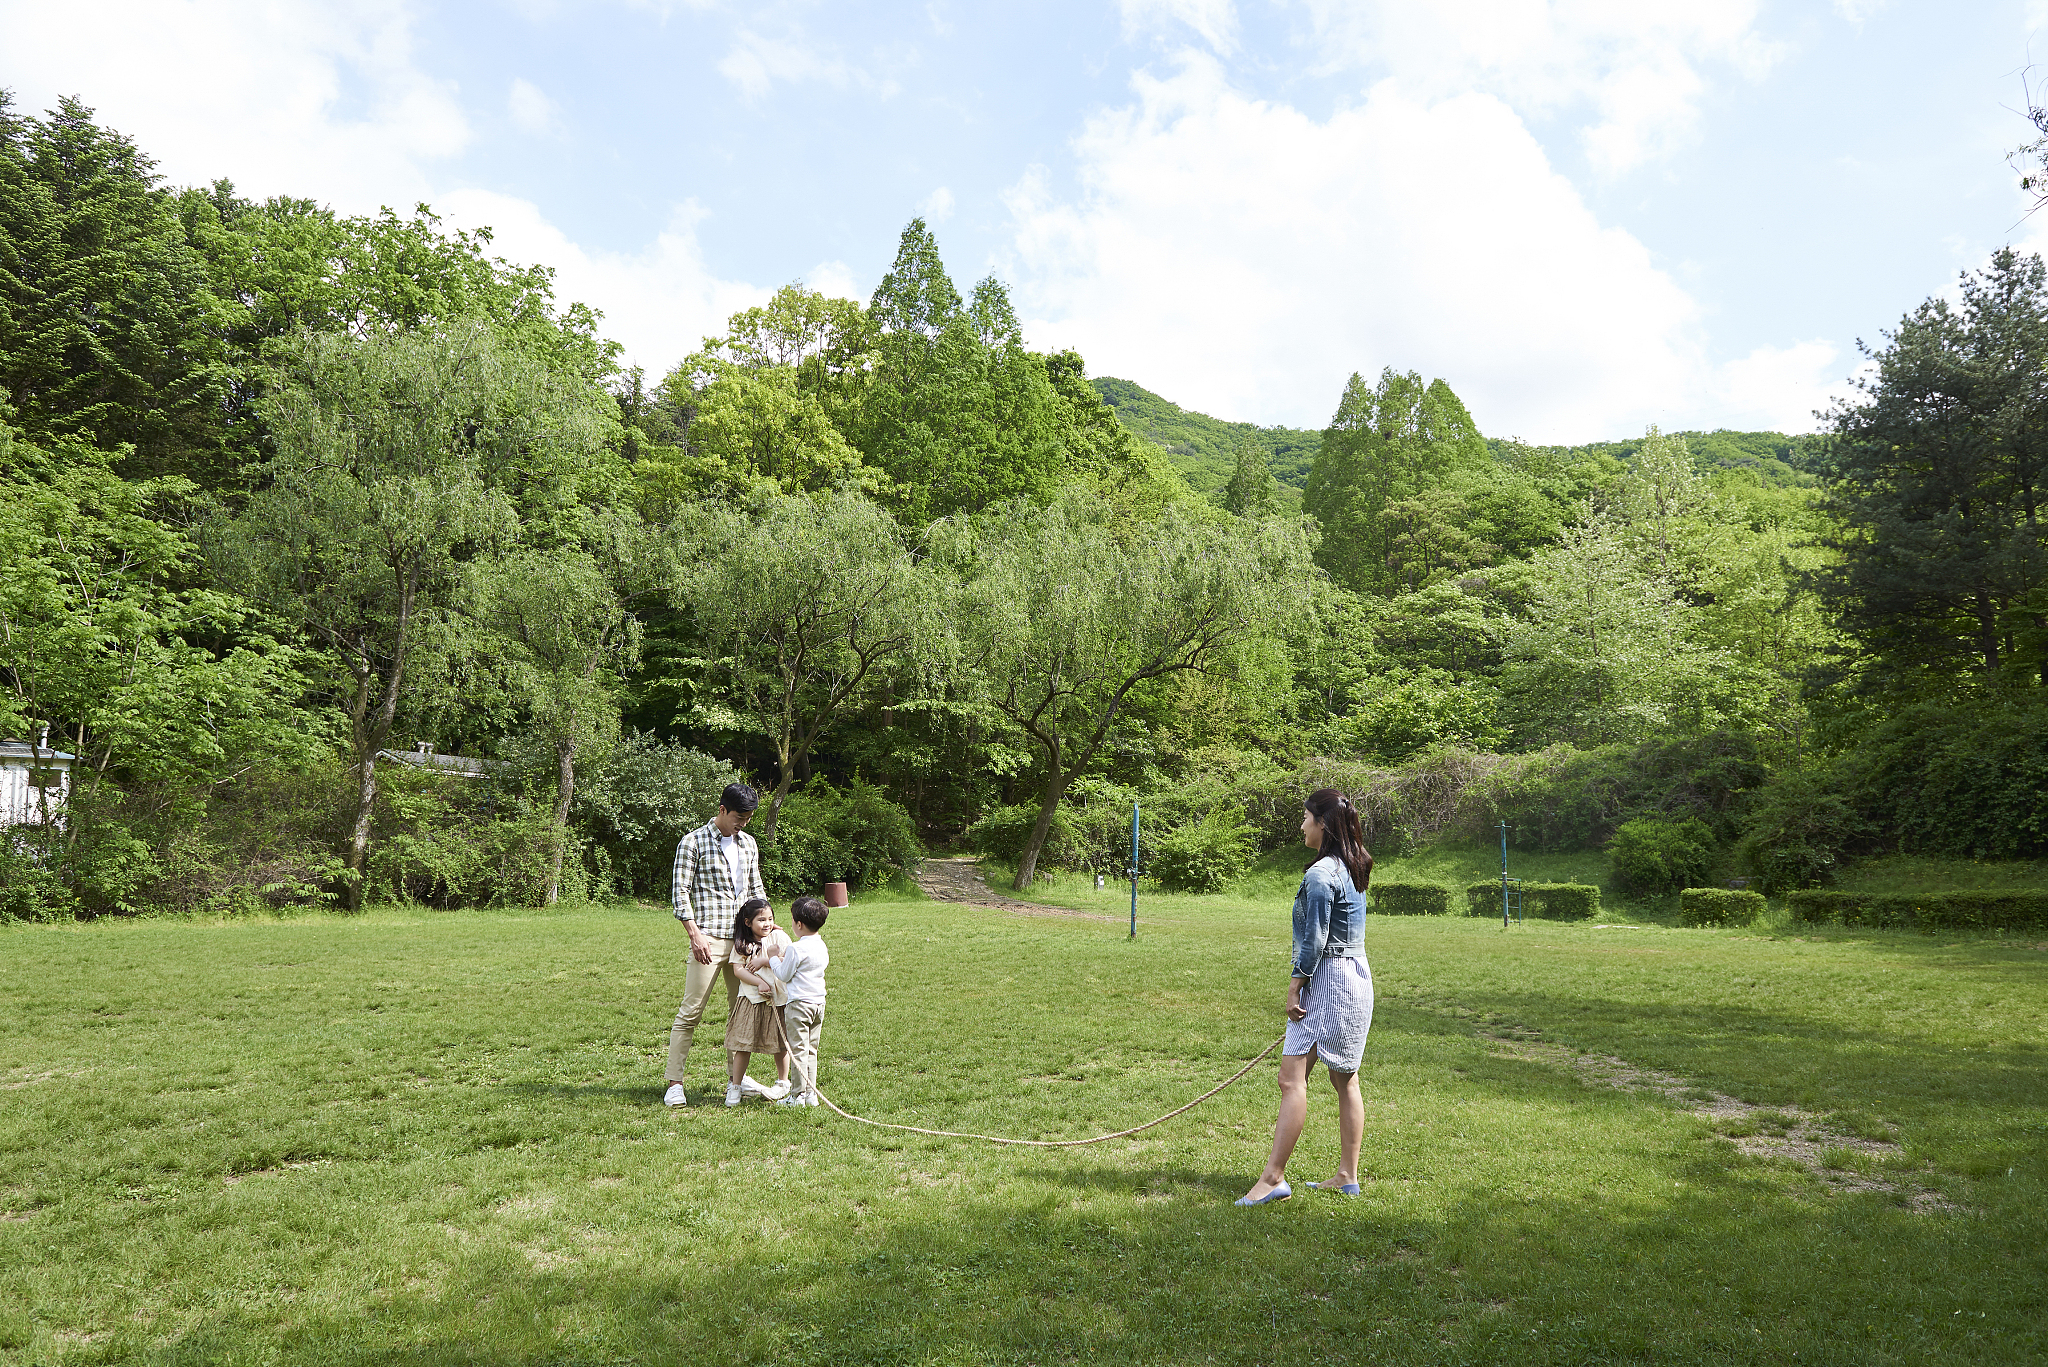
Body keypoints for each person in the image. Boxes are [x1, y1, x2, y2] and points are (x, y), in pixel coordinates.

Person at [1237, 787, 1373, 1206]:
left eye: (1305, 818)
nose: (1301, 825)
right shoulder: (1353, 867)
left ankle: (1273, 1178)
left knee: (1291, 1079)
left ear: (1323, 824)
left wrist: (1296, 982)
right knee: (1344, 1078)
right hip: (1357, 977)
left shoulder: (1320, 874)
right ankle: (1347, 1176)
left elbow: (1314, 940)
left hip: (1328, 979)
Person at [664, 783, 767, 1107]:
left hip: (743, 942)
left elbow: (755, 888)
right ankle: (675, 1084)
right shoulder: (692, 842)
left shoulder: (749, 844)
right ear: (722, 810)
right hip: (707, 939)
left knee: (740, 1014)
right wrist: (694, 935)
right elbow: (680, 892)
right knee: (691, 1012)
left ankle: (735, 1082)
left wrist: (765, 925)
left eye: (748, 818)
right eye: (739, 817)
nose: (743, 824)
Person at [723, 897, 793, 1106]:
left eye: (770, 918)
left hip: (777, 999)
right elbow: (738, 970)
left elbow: (789, 962)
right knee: (743, 1043)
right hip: (750, 999)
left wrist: (765, 960)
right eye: (761, 920)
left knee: (780, 1043)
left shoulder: (778, 937)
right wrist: (759, 983)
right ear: (748, 923)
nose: (767, 924)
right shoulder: (742, 943)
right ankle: (735, 1086)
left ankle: (783, 1083)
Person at [767, 894, 830, 1109]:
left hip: (798, 1006)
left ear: (799, 924)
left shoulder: (795, 948)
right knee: (811, 1050)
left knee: (797, 1051)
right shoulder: (820, 945)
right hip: (818, 1004)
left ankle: (796, 1096)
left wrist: (773, 956)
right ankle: (811, 1095)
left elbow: (783, 975)